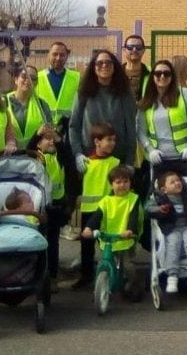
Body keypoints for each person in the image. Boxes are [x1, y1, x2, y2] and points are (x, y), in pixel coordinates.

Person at [71, 122, 122, 289]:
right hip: (88, 211)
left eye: (114, 140)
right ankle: (86, 276)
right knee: (87, 247)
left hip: (109, 210)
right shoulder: (87, 163)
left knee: (111, 244)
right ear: (97, 142)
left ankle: (114, 275)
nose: (112, 143)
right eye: (109, 140)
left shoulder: (116, 162)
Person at [82, 165, 144, 301]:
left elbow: (134, 216)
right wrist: (88, 228)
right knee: (104, 262)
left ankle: (134, 284)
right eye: (118, 182)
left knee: (127, 266)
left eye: (126, 181)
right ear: (111, 185)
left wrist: (130, 230)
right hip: (108, 239)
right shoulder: (105, 201)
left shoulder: (133, 199)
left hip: (124, 239)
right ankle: (99, 288)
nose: (122, 185)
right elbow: (97, 216)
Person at [70, 49, 138, 167]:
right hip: (90, 158)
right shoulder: (83, 92)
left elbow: (131, 129)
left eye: (108, 62)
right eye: (99, 63)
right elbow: (74, 126)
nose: (104, 65)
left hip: (118, 158)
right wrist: (78, 154)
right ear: (93, 67)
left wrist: (129, 161)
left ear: (114, 66)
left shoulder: (125, 93)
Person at [145, 170, 187, 294]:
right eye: (172, 182)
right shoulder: (160, 198)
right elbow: (148, 208)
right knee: (172, 245)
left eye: (178, 180)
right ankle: (172, 275)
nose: (177, 183)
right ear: (163, 190)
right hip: (171, 228)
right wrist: (159, 209)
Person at [138, 59, 187, 171]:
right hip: (158, 160)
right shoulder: (146, 101)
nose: (162, 76)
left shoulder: (184, 94)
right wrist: (150, 150)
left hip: (184, 157)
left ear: (172, 77)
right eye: (158, 74)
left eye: (166, 74)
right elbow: (141, 131)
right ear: (152, 77)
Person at [30, 131, 67, 290]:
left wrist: (59, 140)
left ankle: (52, 276)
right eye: (47, 139)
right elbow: (29, 147)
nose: (52, 142)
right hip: (38, 207)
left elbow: (67, 154)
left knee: (53, 243)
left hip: (55, 206)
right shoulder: (33, 157)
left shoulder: (59, 156)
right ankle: (34, 274)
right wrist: (36, 135)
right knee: (37, 242)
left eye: (54, 139)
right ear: (38, 143)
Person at [5, 65, 56, 150]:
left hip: (34, 158)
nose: (28, 81)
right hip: (8, 157)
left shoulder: (42, 105)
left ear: (36, 83)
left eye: (33, 78)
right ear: (16, 79)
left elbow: (49, 135)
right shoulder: (3, 102)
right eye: (24, 76)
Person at [35, 42, 81, 126]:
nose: (58, 58)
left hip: (68, 128)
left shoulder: (77, 78)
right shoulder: (37, 77)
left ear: (67, 56)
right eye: (55, 54)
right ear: (48, 55)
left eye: (62, 55)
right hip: (44, 128)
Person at [122, 35, 149, 100]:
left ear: (143, 50)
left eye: (138, 47)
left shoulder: (152, 74)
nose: (134, 50)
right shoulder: (115, 73)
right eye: (130, 47)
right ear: (124, 50)